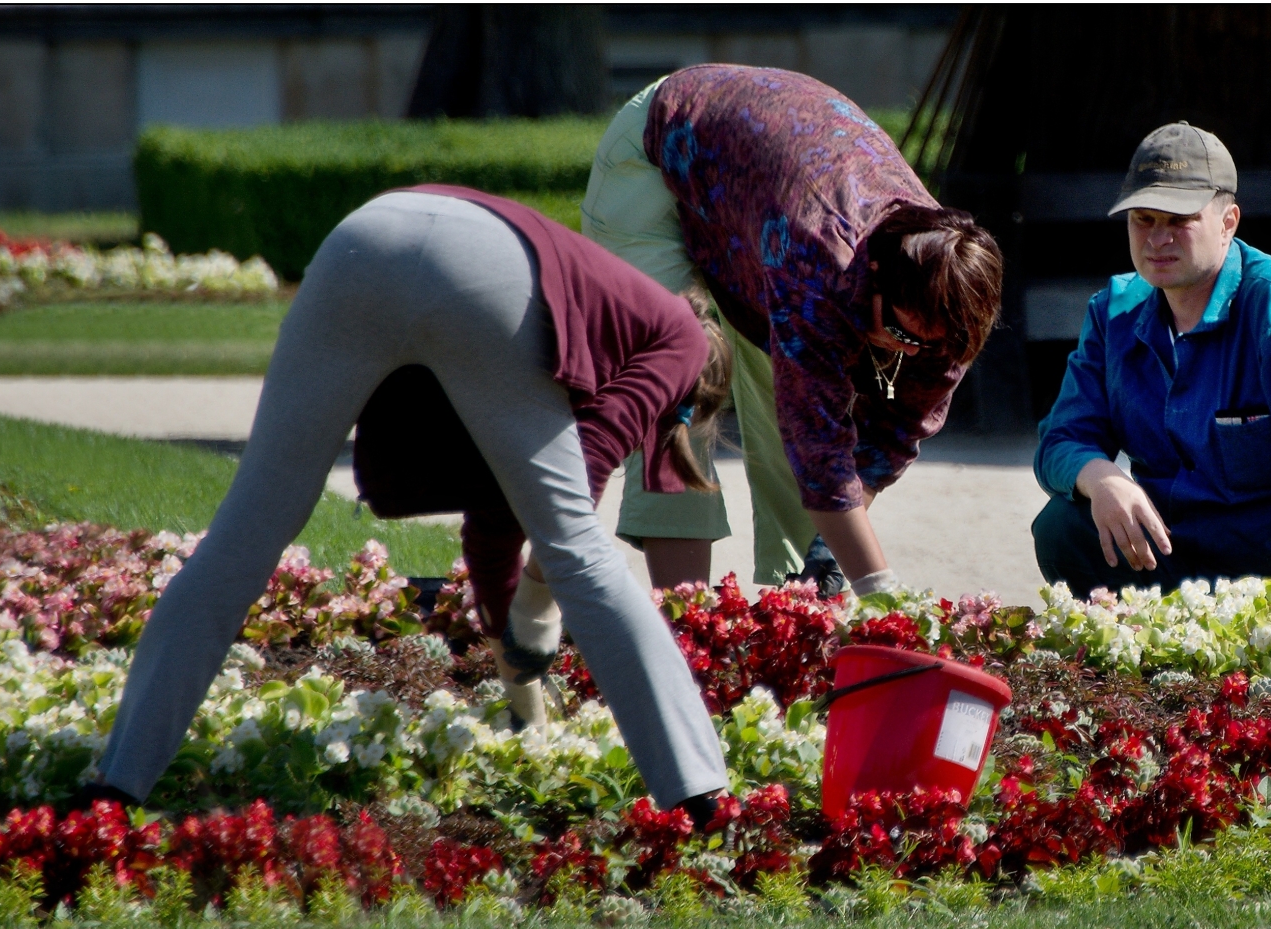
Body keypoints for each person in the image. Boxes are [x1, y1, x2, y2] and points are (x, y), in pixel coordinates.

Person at [83, 186, 735, 815]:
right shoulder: (680, 336)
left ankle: (117, 784)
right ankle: (701, 797)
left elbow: (498, 504)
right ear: (694, 394)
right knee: (583, 553)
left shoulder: (594, 315)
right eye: (677, 413)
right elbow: (582, 474)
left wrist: (512, 652)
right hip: (486, 265)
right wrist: (537, 609)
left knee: (245, 531)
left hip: (363, 241)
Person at [583, 64, 1003, 595]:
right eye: (909, 339)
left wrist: (826, 557)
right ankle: (683, 628)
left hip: (762, 195)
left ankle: (792, 613)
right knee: (671, 388)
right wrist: (880, 592)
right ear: (875, 276)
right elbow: (821, 452)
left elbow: (893, 433)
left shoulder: (951, 284)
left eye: (936, 349)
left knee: (797, 424)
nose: (915, 355)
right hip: (667, 142)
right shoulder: (820, 262)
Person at [1032, 123, 1271, 600]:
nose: (1157, 239)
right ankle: (1159, 653)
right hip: (1176, 561)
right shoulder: (1113, 311)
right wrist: (1098, 476)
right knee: (1063, 526)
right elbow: (1060, 439)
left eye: (1178, 220)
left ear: (1228, 222)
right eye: (1142, 219)